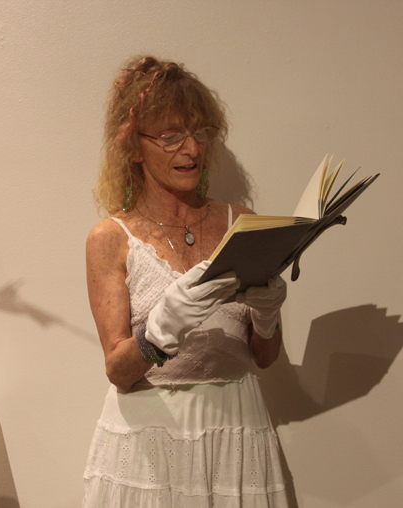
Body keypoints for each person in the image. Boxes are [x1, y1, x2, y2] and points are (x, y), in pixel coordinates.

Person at [83, 56, 289, 507]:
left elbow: (264, 357)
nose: (192, 150)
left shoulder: (242, 223)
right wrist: (160, 332)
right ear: (134, 147)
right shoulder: (110, 238)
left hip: (236, 427)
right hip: (149, 440)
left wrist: (268, 316)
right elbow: (118, 370)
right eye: (171, 136)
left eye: (200, 133)